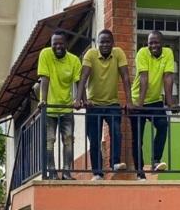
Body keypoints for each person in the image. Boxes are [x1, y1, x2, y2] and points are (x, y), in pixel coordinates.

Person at [76, 29, 133, 179]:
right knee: (94, 138)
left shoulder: (118, 53)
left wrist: (129, 102)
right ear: (97, 43)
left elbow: (126, 77)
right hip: (93, 104)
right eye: (102, 42)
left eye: (108, 42)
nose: (105, 45)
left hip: (112, 102)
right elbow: (83, 77)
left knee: (116, 131)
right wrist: (79, 99)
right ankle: (97, 172)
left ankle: (115, 162)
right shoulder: (91, 54)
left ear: (113, 43)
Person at [130, 30, 177, 180]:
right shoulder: (142, 53)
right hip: (138, 100)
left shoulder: (168, 53)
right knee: (137, 139)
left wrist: (170, 104)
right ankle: (140, 172)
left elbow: (168, 78)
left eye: (156, 42)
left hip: (155, 100)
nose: (153, 45)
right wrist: (140, 105)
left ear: (162, 43)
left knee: (163, 125)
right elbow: (144, 78)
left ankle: (156, 160)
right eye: (150, 43)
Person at [38, 30, 82, 180]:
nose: (57, 46)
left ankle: (67, 172)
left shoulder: (74, 60)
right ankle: (52, 172)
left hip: (66, 108)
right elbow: (44, 78)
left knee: (68, 139)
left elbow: (78, 82)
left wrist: (78, 99)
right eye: (54, 44)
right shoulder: (45, 54)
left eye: (60, 44)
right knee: (49, 141)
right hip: (49, 109)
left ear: (66, 44)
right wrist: (43, 100)